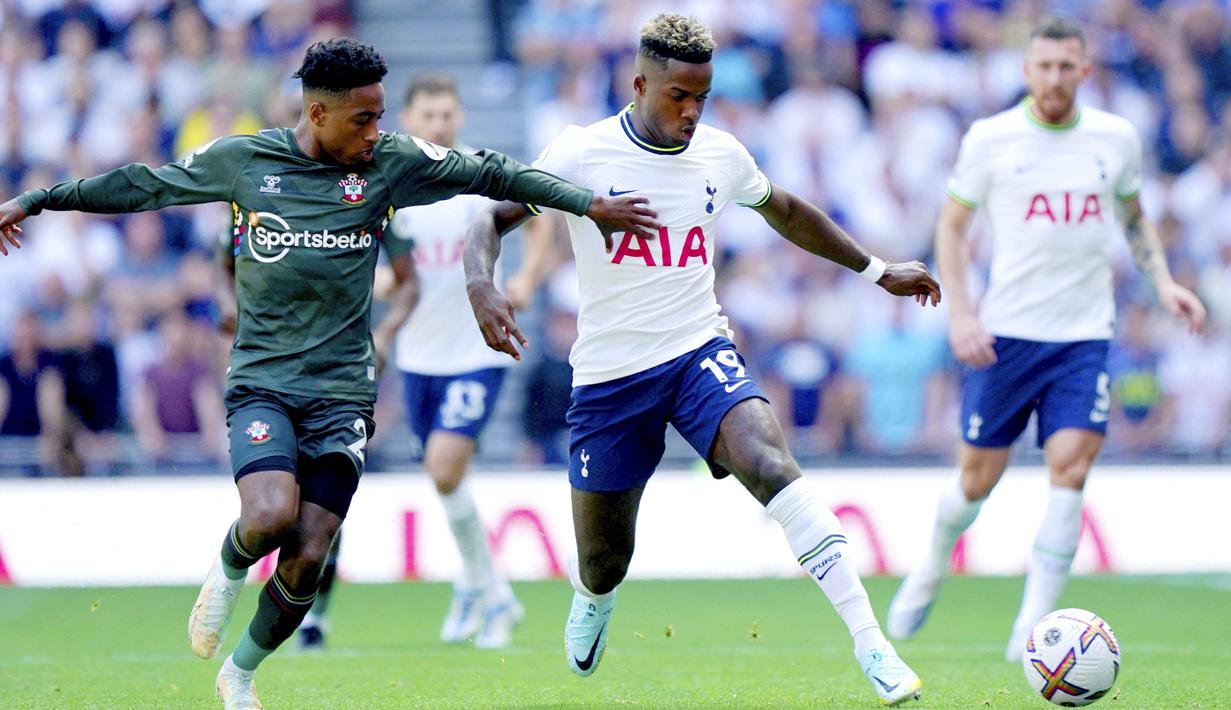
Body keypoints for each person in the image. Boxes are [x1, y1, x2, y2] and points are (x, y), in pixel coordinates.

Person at [0, 37, 657, 710]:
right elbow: (144, 185)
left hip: (343, 391)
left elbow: (491, 172)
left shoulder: (390, 163)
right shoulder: (244, 162)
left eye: (379, 116)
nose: (377, 132)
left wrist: (586, 204)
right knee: (268, 514)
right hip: (263, 381)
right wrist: (42, 197)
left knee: (310, 551)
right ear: (316, 114)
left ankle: (241, 673)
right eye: (362, 119)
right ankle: (228, 572)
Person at [465, 14, 940, 706]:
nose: (690, 112)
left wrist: (875, 270)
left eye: (701, 98)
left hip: (697, 352)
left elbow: (782, 209)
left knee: (773, 464)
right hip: (609, 377)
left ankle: (872, 644)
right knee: (604, 560)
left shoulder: (718, 154)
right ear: (638, 85)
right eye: (676, 97)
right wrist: (481, 284)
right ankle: (592, 598)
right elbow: (488, 218)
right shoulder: (580, 152)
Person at [886, 16, 1207, 663]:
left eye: (1067, 66)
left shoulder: (1113, 139)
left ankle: (1032, 630)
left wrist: (1163, 281)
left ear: (1083, 72)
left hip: (1082, 336)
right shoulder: (992, 139)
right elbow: (950, 229)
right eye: (1044, 66)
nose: (1055, 77)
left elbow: (1134, 218)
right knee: (975, 482)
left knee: (1071, 467)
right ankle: (929, 565)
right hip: (1005, 335)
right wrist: (961, 315)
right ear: (1025, 71)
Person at [297, 72, 556, 651]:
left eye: (447, 115)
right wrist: (384, 280)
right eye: (428, 117)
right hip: (418, 357)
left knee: (443, 467)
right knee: (446, 481)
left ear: (459, 117)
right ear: (408, 122)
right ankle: (477, 585)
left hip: (476, 353)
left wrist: (528, 277)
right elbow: (371, 254)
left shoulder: (479, 177)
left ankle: (492, 596)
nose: (439, 125)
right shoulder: (390, 186)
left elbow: (545, 213)